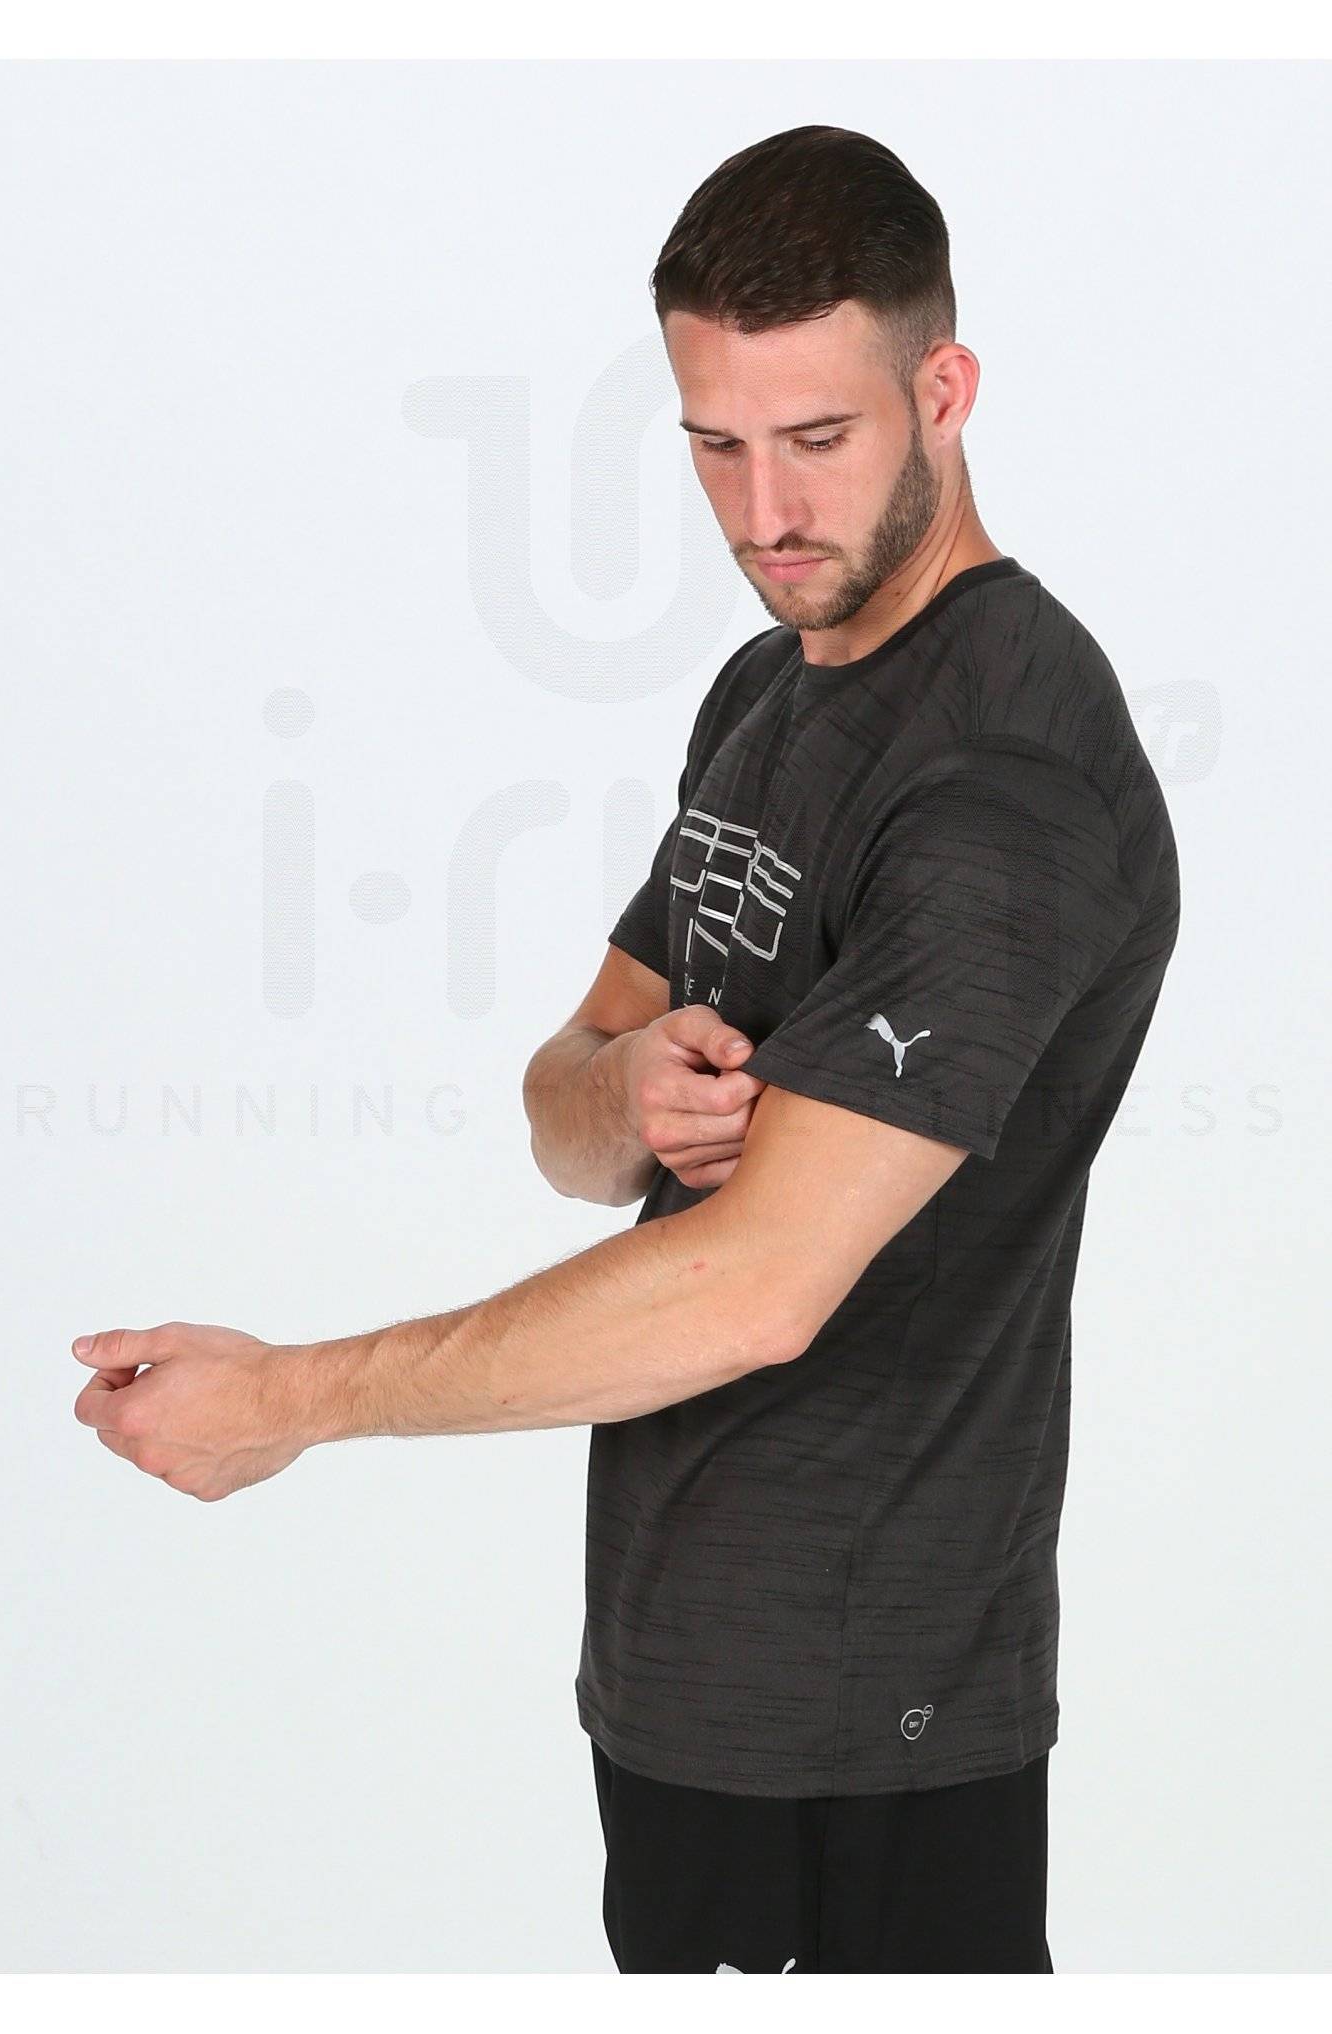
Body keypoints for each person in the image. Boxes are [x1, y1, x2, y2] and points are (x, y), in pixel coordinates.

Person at [70, 123, 1180, 1975]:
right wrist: (625, 1085)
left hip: (871, 1717)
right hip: (679, 1677)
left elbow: (756, 1283)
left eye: (816, 438)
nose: (765, 511)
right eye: (715, 445)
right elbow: (572, 1103)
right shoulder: (772, 688)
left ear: (945, 390)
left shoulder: (1004, 779)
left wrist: (290, 1399)